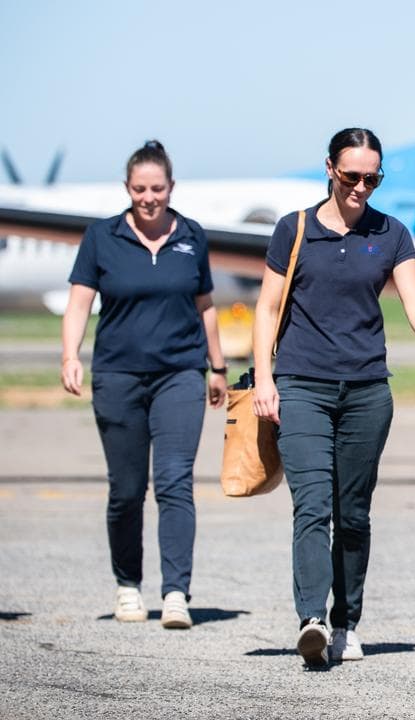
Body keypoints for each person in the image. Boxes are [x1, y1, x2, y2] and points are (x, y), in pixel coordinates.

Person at [251, 128, 415, 668]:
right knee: (313, 505)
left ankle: (346, 622)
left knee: (353, 513)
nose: (361, 186)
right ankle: (312, 619)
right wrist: (264, 378)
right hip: (301, 385)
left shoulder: (391, 232)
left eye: (372, 178)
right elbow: (267, 308)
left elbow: (414, 296)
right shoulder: (294, 229)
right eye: (351, 175)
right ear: (330, 169)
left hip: (366, 391)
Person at [61, 140, 227, 630]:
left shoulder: (192, 236)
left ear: (171, 187)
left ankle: (175, 593)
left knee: (175, 482)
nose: (148, 198)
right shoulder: (102, 237)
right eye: (139, 189)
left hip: (180, 374)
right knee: (127, 489)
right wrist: (70, 356)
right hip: (118, 376)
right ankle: (128, 585)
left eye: (157, 188)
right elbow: (78, 303)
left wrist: (217, 367)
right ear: (127, 188)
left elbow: (206, 306)